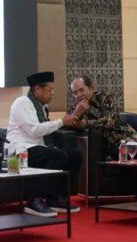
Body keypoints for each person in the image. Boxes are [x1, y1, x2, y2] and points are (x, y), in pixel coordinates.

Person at [7, 71, 82, 217]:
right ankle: (33, 200)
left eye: (53, 90)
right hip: (19, 151)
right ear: (37, 89)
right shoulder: (22, 103)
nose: (52, 93)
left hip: (37, 148)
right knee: (57, 155)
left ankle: (56, 198)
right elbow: (34, 130)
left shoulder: (41, 107)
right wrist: (61, 122)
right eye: (49, 89)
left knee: (75, 154)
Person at [69, 75, 137, 158]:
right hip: (103, 145)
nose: (79, 95)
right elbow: (69, 123)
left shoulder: (104, 98)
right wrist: (77, 113)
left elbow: (110, 121)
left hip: (123, 137)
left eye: (81, 90)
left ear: (91, 88)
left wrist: (86, 123)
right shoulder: (75, 107)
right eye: (75, 93)